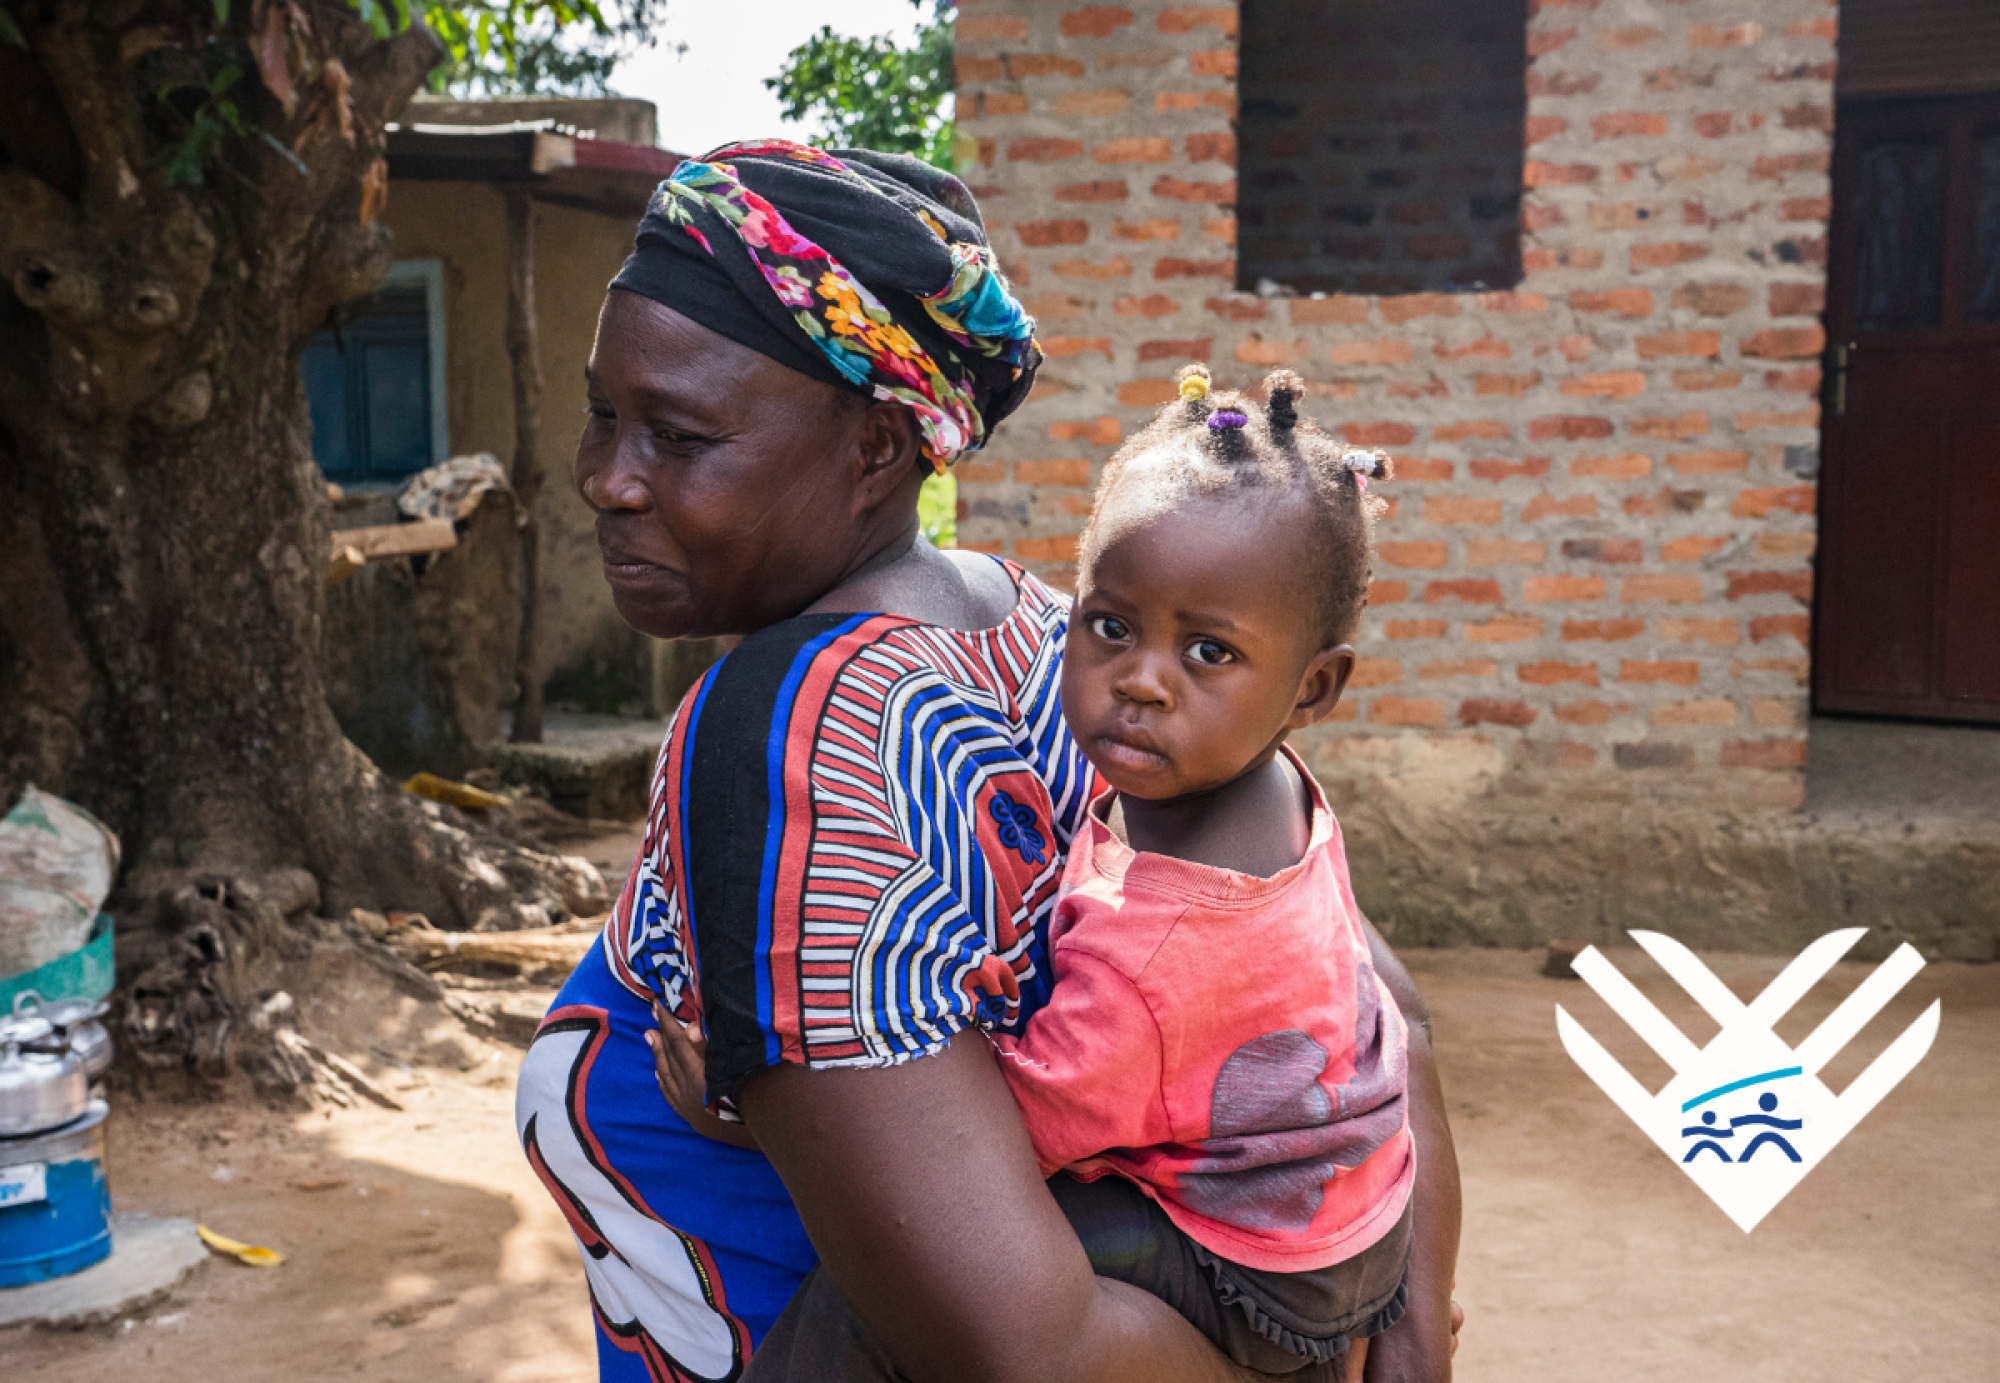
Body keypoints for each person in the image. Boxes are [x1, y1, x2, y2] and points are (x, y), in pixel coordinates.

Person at [519, 138, 1462, 1383]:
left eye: (680, 437)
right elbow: (1374, 1006)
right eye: (602, 414)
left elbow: (1020, 1350)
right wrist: (1400, 1322)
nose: (604, 479)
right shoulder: (1034, 627)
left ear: (872, 451)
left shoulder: (795, 732)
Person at [659, 364, 1421, 1381]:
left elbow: (1013, 1140)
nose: (1141, 680)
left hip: (1253, 1274)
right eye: (1109, 626)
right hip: (1344, 1222)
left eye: (1206, 652)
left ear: (1312, 685)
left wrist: (759, 1127)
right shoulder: (1261, 787)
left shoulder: (1168, 937)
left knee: (892, 1283)